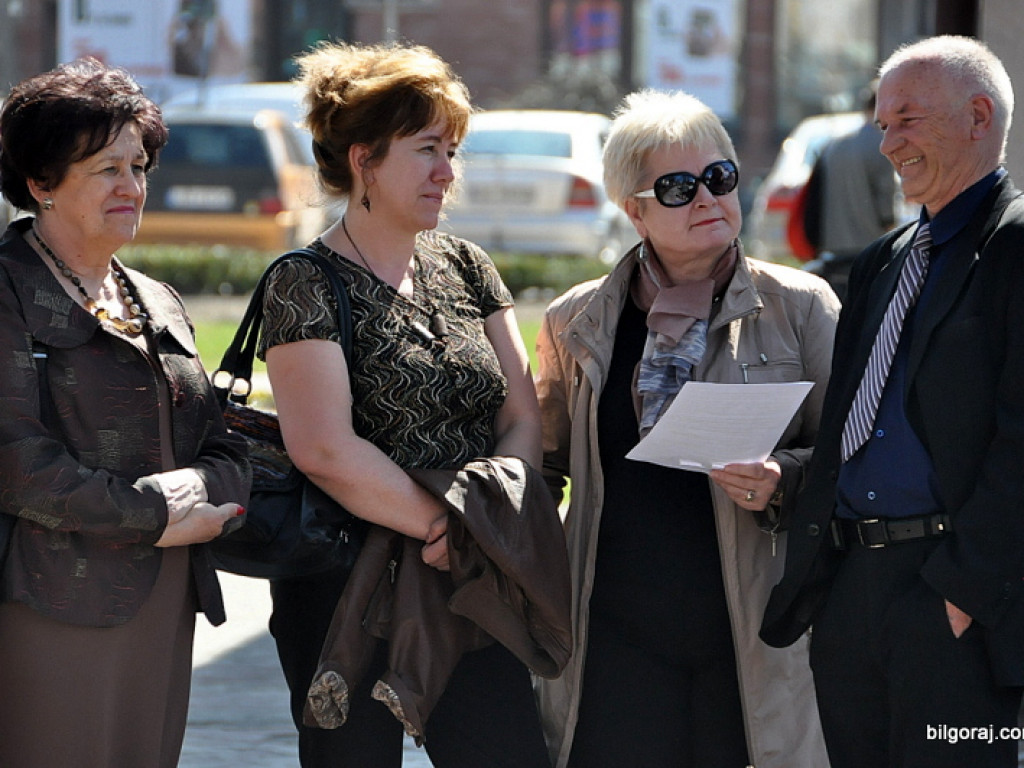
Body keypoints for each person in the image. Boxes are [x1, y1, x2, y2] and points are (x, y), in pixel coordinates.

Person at [259, 42, 552, 767]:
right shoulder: (304, 280)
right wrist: (448, 528)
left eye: (452, 150)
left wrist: (487, 526)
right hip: (346, 589)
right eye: (427, 150)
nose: (448, 173)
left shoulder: (465, 266)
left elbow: (520, 417)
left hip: (472, 585)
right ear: (364, 159)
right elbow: (323, 447)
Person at [533, 88, 840, 768]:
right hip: (613, 636)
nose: (707, 199)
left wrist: (782, 478)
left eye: (719, 177)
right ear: (633, 210)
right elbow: (544, 463)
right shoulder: (575, 321)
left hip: (752, 638)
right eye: (677, 187)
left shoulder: (802, 306)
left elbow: (854, 456)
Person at [760, 35, 1024, 768]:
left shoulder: (1016, 247)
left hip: (954, 599)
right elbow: (860, 424)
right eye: (881, 124)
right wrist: (788, 476)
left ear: (978, 118)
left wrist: (962, 592)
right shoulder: (884, 260)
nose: (887, 144)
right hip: (850, 591)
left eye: (906, 120)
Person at [0, 58, 249, 767]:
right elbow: (14, 459)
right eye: (107, 169)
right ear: (41, 182)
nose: (132, 187)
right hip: (50, 600)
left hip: (164, 599)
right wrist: (154, 513)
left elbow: (225, 442)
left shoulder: (157, 297)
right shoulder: (8, 291)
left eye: (139, 167)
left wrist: (201, 493)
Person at [801, 80, 902, 301]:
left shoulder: (833, 145)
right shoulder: (882, 146)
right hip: (869, 252)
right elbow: (886, 208)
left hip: (832, 253)